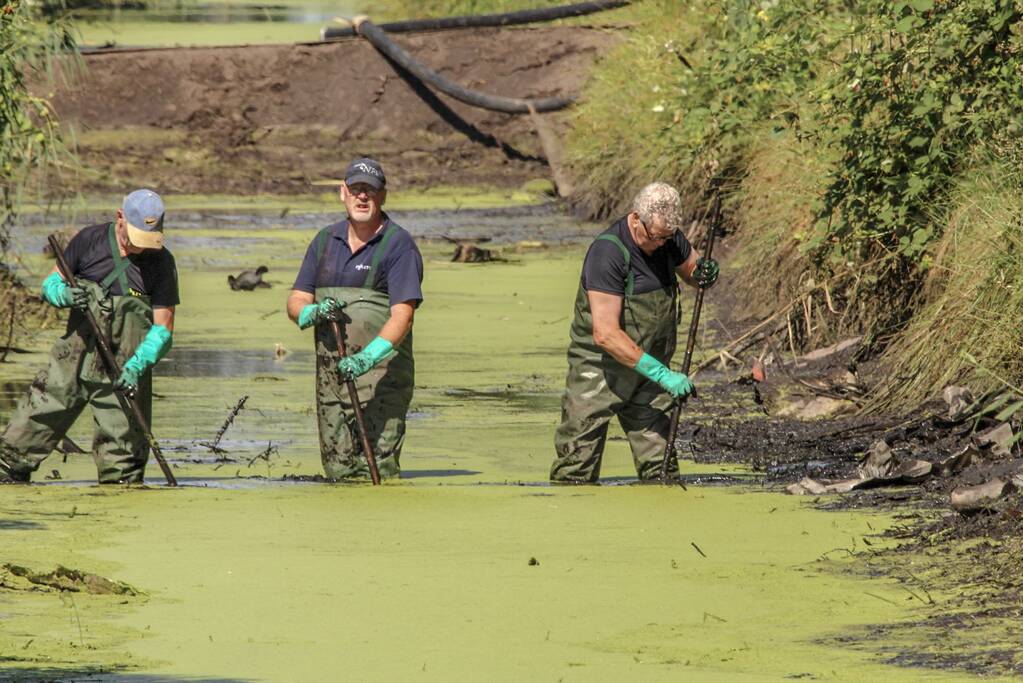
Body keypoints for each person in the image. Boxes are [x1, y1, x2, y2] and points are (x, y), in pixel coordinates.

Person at [0, 189, 178, 484]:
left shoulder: (161, 262)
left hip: (124, 371)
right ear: (119, 218)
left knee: (123, 464)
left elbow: (163, 328)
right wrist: (63, 295)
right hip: (71, 362)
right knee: (20, 442)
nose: (141, 248)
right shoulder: (89, 241)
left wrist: (137, 365)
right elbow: (51, 284)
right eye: (136, 238)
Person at [551, 182, 719, 483]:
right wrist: (664, 375)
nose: (661, 244)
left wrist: (703, 273)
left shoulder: (668, 238)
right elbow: (605, 334)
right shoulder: (607, 254)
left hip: (649, 377)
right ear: (635, 218)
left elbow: (693, 270)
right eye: (655, 236)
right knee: (576, 469)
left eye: (668, 237)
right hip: (599, 372)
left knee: (662, 470)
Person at [287, 158, 424, 480]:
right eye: (356, 189)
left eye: (370, 191)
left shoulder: (397, 244)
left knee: (377, 469)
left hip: (381, 380)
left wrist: (367, 358)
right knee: (338, 471)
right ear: (343, 193)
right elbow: (296, 299)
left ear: (383, 196)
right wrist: (310, 312)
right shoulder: (324, 242)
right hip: (332, 381)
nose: (362, 197)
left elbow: (403, 316)